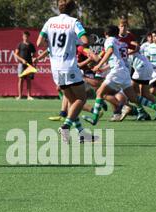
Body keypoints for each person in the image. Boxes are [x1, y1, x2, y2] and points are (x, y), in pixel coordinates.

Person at [37, 0, 96, 143]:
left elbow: (39, 43)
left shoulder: (50, 21)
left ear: (59, 8)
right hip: (69, 65)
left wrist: (52, 46)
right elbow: (85, 40)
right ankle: (66, 126)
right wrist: (78, 42)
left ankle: (82, 133)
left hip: (55, 68)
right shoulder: (73, 21)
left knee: (71, 101)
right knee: (81, 99)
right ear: (73, 9)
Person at [84, 25, 149, 124]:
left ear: (106, 34)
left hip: (117, 71)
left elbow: (109, 51)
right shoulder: (119, 41)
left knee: (100, 93)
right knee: (133, 98)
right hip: (124, 71)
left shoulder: (109, 40)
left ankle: (95, 119)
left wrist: (99, 65)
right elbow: (133, 48)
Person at [15, 31, 37, 100]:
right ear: (23, 37)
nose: (25, 37)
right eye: (24, 36)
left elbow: (34, 56)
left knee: (28, 80)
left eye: (27, 36)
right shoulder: (20, 45)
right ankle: (20, 96)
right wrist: (22, 60)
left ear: (28, 37)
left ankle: (29, 96)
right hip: (21, 64)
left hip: (29, 65)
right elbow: (15, 54)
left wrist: (34, 62)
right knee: (21, 79)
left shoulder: (31, 45)